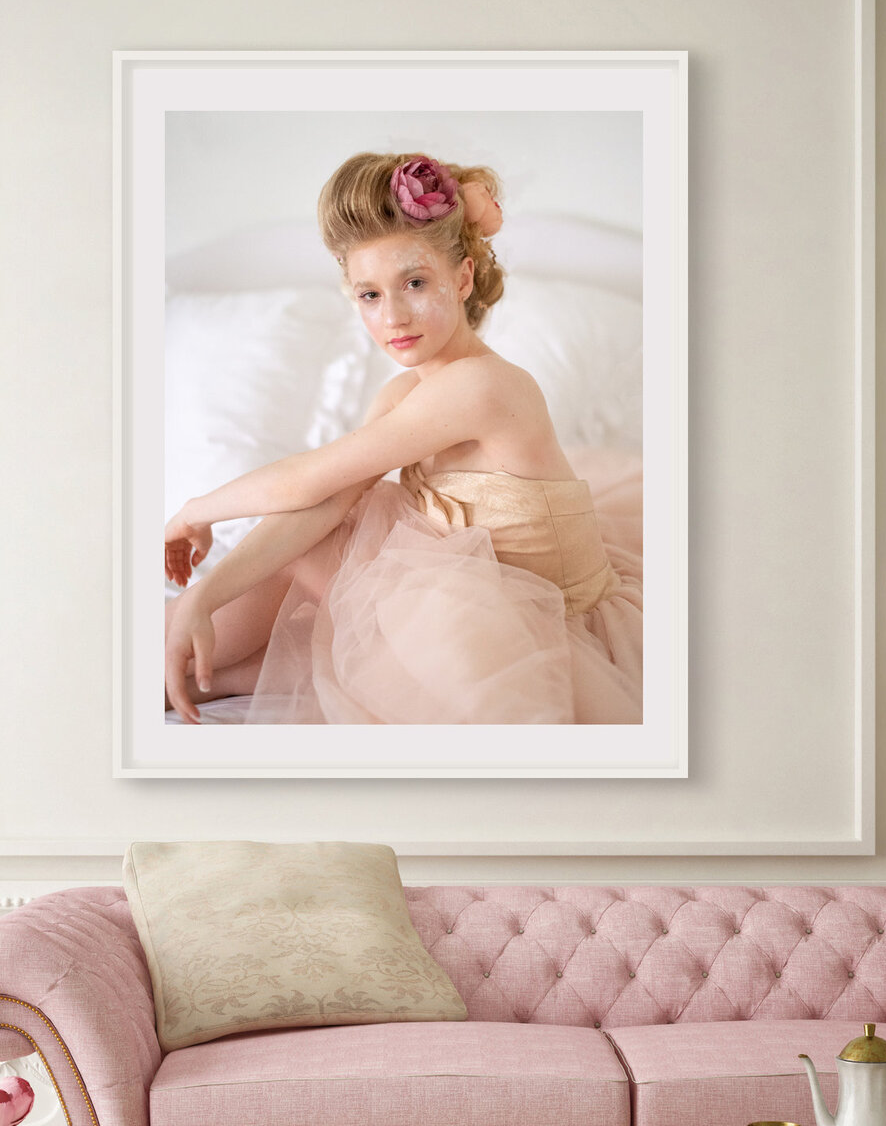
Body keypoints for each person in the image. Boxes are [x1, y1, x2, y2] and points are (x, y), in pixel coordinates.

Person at [162, 151, 642, 725]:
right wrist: (203, 595)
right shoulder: (399, 395)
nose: (392, 317)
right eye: (370, 295)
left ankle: (170, 671)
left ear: (462, 277)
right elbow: (327, 498)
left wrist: (197, 512)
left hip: (534, 634)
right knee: (331, 534)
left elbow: (307, 478)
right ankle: (189, 674)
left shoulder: (486, 386)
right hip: (469, 606)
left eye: (414, 283)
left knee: (325, 544)